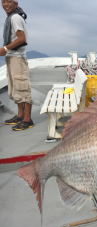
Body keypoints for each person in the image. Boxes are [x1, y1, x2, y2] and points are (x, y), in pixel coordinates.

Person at [1, 0, 33, 131]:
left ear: (16, 3)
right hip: (12, 58)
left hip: (17, 58)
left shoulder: (15, 18)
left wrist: (5, 49)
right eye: (3, 2)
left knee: (22, 88)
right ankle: (20, 115)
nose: (5, 4)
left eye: (8, 1)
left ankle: (27, 119)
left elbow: (21, 39)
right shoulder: (11, 17)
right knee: (15, 88)